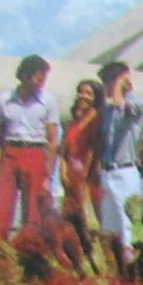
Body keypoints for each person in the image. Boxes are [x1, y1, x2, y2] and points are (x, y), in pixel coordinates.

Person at [0, 54, 59, 235]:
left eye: (44, 78)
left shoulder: (48, 101)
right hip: (11, 151)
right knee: (1, 206)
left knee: (34, 210)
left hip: (34, 152)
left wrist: (48, 174)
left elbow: (52, 140)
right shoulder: (5, 99)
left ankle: (30, 250)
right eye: (38, 76)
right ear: (25, 75)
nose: (41, 82)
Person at [97, 61, 143, 272]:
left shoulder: (135, 103)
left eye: (108, 83)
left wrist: (119, 83)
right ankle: (112, 269)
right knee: (109, 227)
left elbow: (120, 105)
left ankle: (130, 270)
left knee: (127, 226)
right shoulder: (107, 110)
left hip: (125, 171)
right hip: (108, 171)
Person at [59, 79, 105, 261]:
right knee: (71, 221)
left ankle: (97, 263)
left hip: (88, 179)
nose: (83, 96)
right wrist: (63, 172)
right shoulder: (73, 122)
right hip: (70, 178)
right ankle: (79, 262)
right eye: (81, 91)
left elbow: (94, 149)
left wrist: (84, 175)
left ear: (96, 98)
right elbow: (63, 151)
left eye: (88, 93)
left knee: (90, 222)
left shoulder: (97, 120)